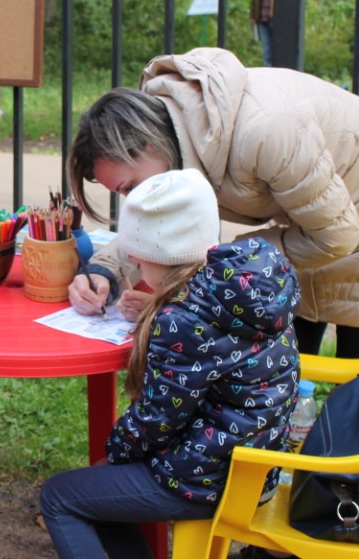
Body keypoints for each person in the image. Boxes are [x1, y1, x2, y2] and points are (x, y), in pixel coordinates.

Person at [67, 47, 359, 361]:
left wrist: (220, 265)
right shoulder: (176, 134)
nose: (135, 201)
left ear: (147, 143)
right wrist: (105, 271)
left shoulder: (265, 133)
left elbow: (336, 236)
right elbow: (156, 229)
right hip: (309, 220)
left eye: (131, 187)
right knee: (282, 379)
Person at [40, 168, 302, 559]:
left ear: (160, 255)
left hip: (203, 481)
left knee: (60, 497)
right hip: (254, 471)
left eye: (138, 257)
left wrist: (111, 456)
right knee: (102, 495)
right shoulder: (249, 290)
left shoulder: (182, 322)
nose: (132, 262)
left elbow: (155, 420)